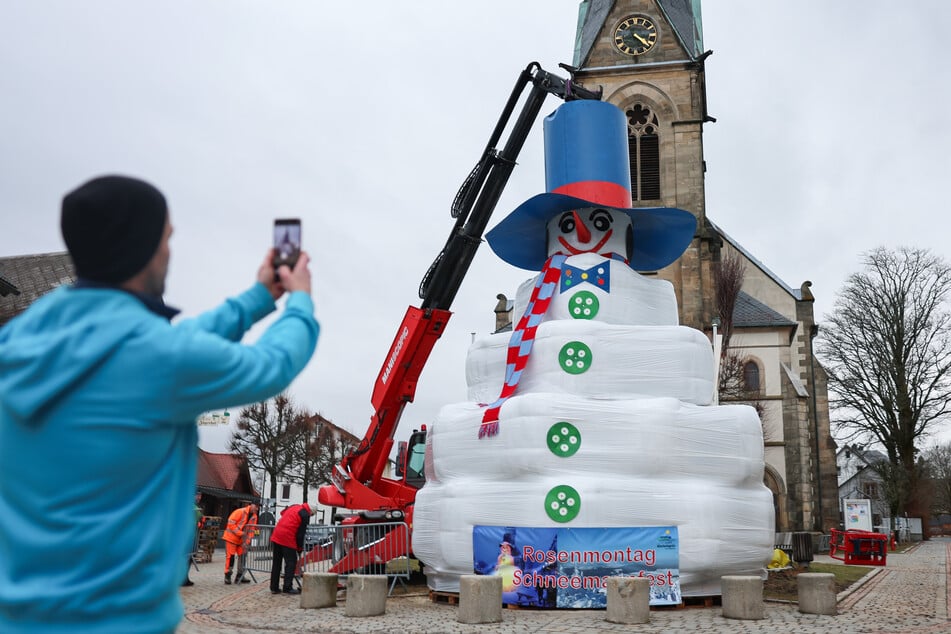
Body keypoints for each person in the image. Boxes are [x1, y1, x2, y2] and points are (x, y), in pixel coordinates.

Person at [0, 175, 320, 633]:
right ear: (146, 247)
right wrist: (301, 301)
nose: (169, 250)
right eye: (167, 238)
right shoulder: (157, 359)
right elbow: (274, 362)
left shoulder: (21, 341)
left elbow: (174, 346)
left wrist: (256, 298)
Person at [270, 502, 314, 595]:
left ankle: (274, 587)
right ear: (311, 512)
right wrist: (299, 548)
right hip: (287, 537)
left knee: (276, 563)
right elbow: (300, 534)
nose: (311, 516)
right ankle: (287, 587)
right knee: (291, 563)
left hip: (277, 534)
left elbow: (282, 513)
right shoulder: (305, 514)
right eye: (312, 515)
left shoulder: (295, 506)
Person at [223, 502, 259, 584]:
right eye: (256, 507)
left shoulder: (254, 517)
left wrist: (247, 542)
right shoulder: (240, 511)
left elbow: (251, 531)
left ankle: (239, 576)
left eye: (258, 507)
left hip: (241, 541)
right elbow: (230, 523)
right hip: (231, 538)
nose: (257, 509)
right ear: (251, 505)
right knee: (230, 557)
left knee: (242, 557)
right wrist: (241, 533)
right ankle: (227, 575)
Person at [182, 493, 205, 587]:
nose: (199, 497)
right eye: (197, 495)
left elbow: (200, 518)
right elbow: (200, 517)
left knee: (188, 558)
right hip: (186, 537)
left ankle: (184, 578)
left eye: (200, 496)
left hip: (190, 537)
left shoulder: (193, 506)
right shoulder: (190, 505)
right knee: (186, 558)